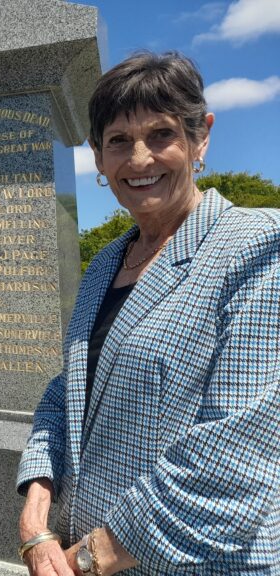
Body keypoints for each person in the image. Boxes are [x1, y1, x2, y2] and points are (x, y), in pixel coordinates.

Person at [16, 52, 280, 575]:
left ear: (200, 138)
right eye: (117, 141)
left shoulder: (257, 247)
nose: (138, 160)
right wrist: (35, 511)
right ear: (97, 157)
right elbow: (66, 394)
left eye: (161, 134)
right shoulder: (103, 267)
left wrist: (89, 560)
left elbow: (235, 458)